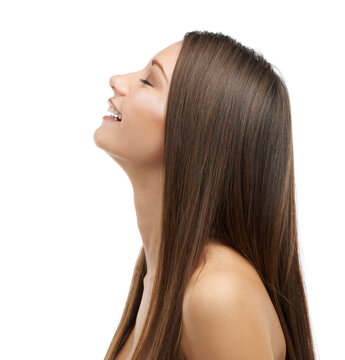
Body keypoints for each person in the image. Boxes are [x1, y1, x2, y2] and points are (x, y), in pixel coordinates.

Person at [94, 30, 316, 360]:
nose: (118, 81)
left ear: (196, 132)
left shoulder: (216, 293)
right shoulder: (160, 276)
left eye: (149, 81)